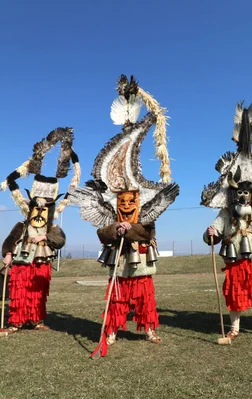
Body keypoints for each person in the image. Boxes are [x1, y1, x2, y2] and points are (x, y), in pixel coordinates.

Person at [69, 74, 179, 357]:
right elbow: (101, 232)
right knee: (117, 296)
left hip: (140, 258)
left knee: (144, 296)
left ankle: (151, 329)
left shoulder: (145, 213)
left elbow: (147, 232)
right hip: (119, 260)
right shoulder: (110, 213)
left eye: (132, 200)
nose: (128, 204)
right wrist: (113, 230)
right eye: (123, 200)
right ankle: (113, 330)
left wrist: (129, 231)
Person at [201, 102, 252, 340]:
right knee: (234, 294)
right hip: (235, 260)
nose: (243, 196)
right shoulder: (226, 214)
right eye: (239, 192)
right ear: (232, 193)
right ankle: (235, 328)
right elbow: (216, 228)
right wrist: (210, 233)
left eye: (247, 193)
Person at [0, 127, 80, 334]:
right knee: (19, 290)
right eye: (37, 207)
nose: (41, 209)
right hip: (22, 260)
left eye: (45, 208)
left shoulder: (53, 226)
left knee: (38, 291)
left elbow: (60, 240)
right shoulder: (22, 225)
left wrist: (46, 236)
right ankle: (16, 321)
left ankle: (35, 319)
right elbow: (11, 238)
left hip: (42, 260)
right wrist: (8, 254)